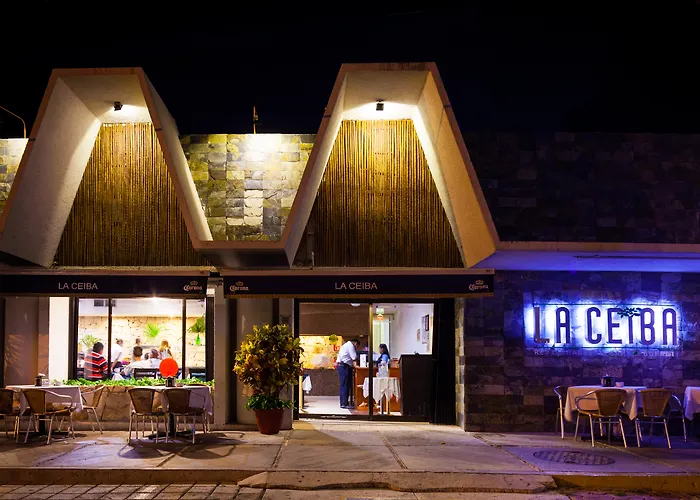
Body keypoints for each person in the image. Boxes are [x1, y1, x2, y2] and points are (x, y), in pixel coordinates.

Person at [336, 338, 360, 409]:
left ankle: (344, 402)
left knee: (344, 385)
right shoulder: (350, 346)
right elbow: (354, 357)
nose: (356, 348)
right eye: (357, 346)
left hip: (342, 366)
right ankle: (344, 403)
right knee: (345, 385)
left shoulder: (346, 345)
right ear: (355, 343)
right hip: (344, 367)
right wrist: (356, 364)